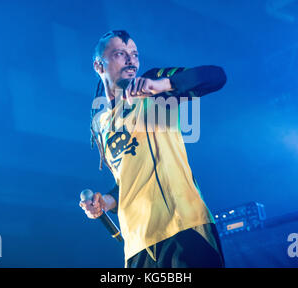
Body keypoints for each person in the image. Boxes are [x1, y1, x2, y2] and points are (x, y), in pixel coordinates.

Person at [79, 30, 227, 268]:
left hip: (183, 228)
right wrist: (105, 201)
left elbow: (215, 76)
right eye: (120, 54)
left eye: (134, 54)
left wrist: (160, 84)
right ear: (99, 66)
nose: (131, 60)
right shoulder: (100, 124)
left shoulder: (152, 85)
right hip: (137, 246)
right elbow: (127, 181)